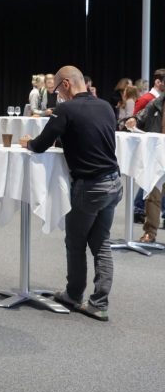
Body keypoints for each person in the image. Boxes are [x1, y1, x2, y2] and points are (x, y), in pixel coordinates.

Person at [21, 66, 122, 322]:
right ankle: (99, 303)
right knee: (101, 244)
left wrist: (27, 143)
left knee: (75, 241)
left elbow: (40, 144)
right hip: (113, 182)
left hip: (89, 186)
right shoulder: (105, 106)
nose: (58, 95)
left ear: (65, 84)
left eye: (56, 89)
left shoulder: (66, 110)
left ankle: (73, 295)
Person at [124, 91, 165, 244]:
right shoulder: (155, 103)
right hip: (157, 156)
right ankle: (150, 232)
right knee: (153, 195)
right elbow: (140, 117)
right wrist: (133, 119)